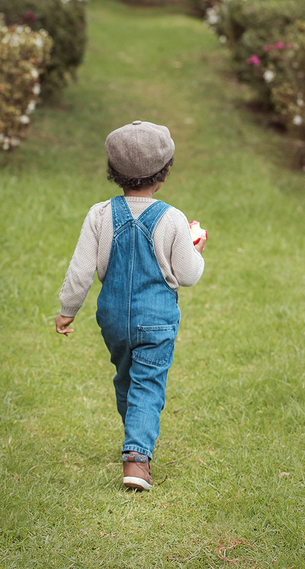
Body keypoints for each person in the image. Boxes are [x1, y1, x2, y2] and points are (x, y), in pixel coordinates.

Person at [56, 120, 207, 491]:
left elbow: (80, 271)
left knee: (127, 378)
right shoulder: (171, 219)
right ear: (165, 172)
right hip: (155, 319)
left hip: (112, 320)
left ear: (113, 172)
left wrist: (67, 309)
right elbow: (187, 275)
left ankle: (134, 439)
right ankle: (137, 460)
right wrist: (195, 249)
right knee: (148, 383)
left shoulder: (99, 215)